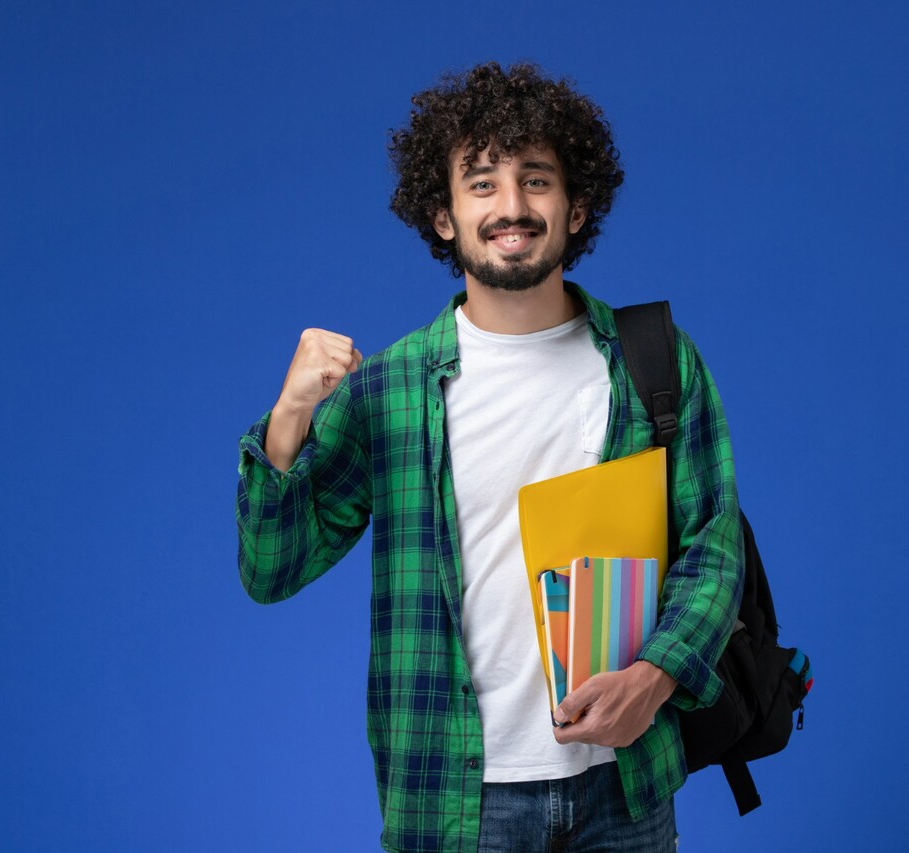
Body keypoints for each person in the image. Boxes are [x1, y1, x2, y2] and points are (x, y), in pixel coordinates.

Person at [236, 62, 744, 853]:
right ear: (442, 216)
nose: (512, 207)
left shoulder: (654, 359)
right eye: (482, 183)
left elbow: (713, 548)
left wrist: (656, 678)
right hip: (453, 797)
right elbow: (271, 567)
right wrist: (289, 414)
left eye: (536, 180)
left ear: (577, 207)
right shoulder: (391, 389)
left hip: (623, 786)